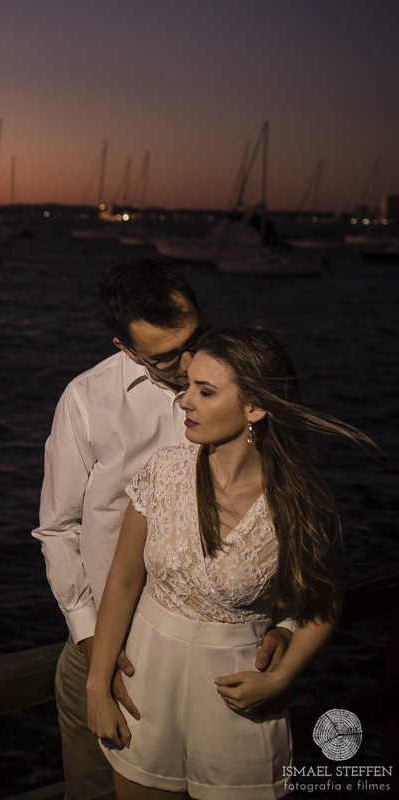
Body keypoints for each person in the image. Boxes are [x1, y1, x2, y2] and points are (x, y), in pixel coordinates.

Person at [33, 259, 290, 800]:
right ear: (126, 349)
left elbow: (287, 515)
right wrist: (91, 644)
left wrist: (285, 626)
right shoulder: (86, 400)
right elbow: (58, 529)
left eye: (194, 338)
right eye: (167, 356)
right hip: (106, 644)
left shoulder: (243, 384)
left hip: (219, 655)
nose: (188, 362)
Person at [86, 326, 370, 799]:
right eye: (188, 386)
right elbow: (123, 580)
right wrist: (97, 687)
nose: (184, 401)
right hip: (144, 690)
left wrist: (281, 677)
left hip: (238, 703)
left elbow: (323, 603)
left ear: (254, 408)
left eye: (205, 391)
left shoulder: (298, 503)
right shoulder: (164, 470)